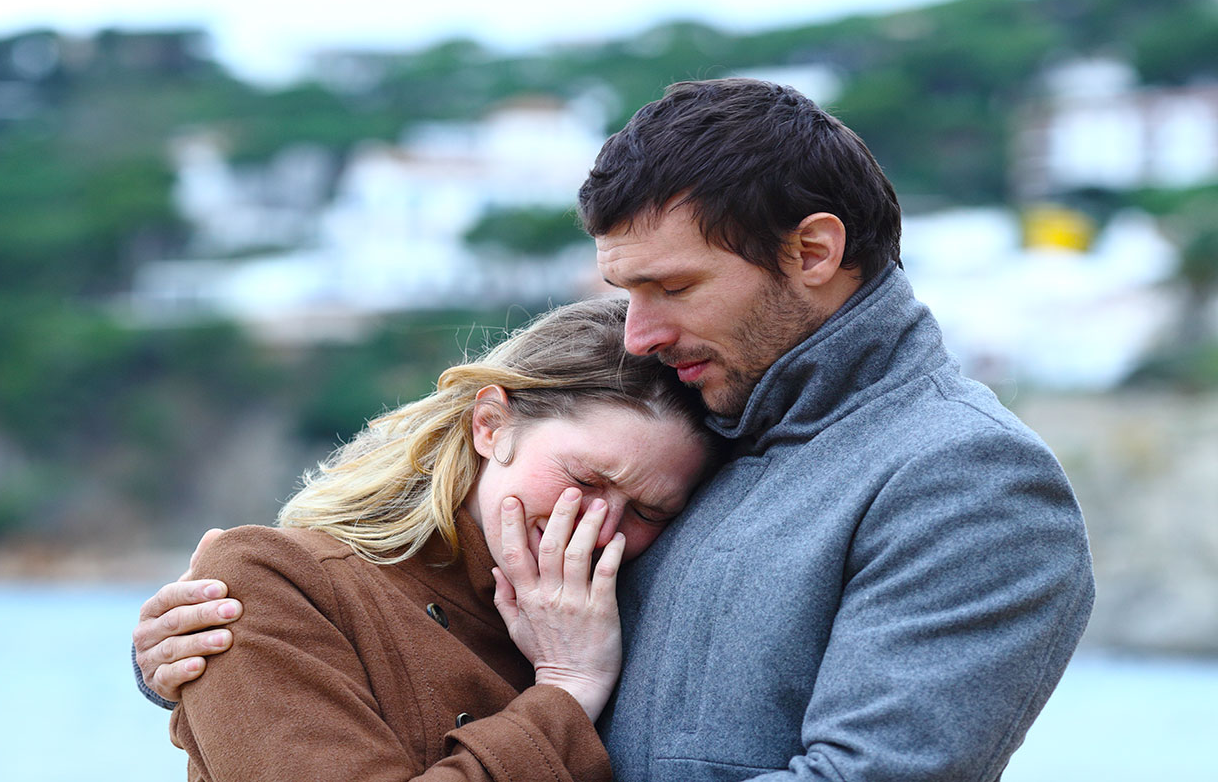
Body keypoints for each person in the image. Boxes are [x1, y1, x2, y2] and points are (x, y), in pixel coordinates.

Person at [135, 78, 1096, 782]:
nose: (641, 331)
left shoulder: (964, 474)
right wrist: (228, 663)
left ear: (813, 251)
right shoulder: (720, 418)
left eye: (672, 287)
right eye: (624, 292)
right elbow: (424, 632)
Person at [145, 295, 724, 781]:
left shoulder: (643, 608)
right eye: (584, 479)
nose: (597, 526)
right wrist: (567, 694)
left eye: (648, 511)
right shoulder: (279, 578)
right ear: (490, 424)